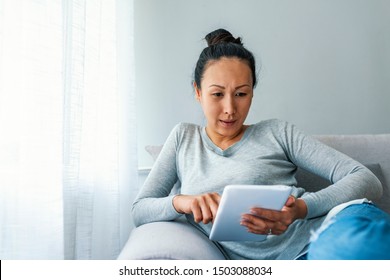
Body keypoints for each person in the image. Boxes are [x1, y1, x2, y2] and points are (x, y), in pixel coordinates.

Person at [132, 28, 390, 260]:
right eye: (217, 94)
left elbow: (366, 180)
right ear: (198, 92)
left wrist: (301, 208)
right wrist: (183, 202)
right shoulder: (183, 138)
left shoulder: (277, 132)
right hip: (298, 261)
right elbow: (140, 209)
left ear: (252, 92)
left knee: (345, 252)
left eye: (241, 94)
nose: (230, 109)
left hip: (333, 228)